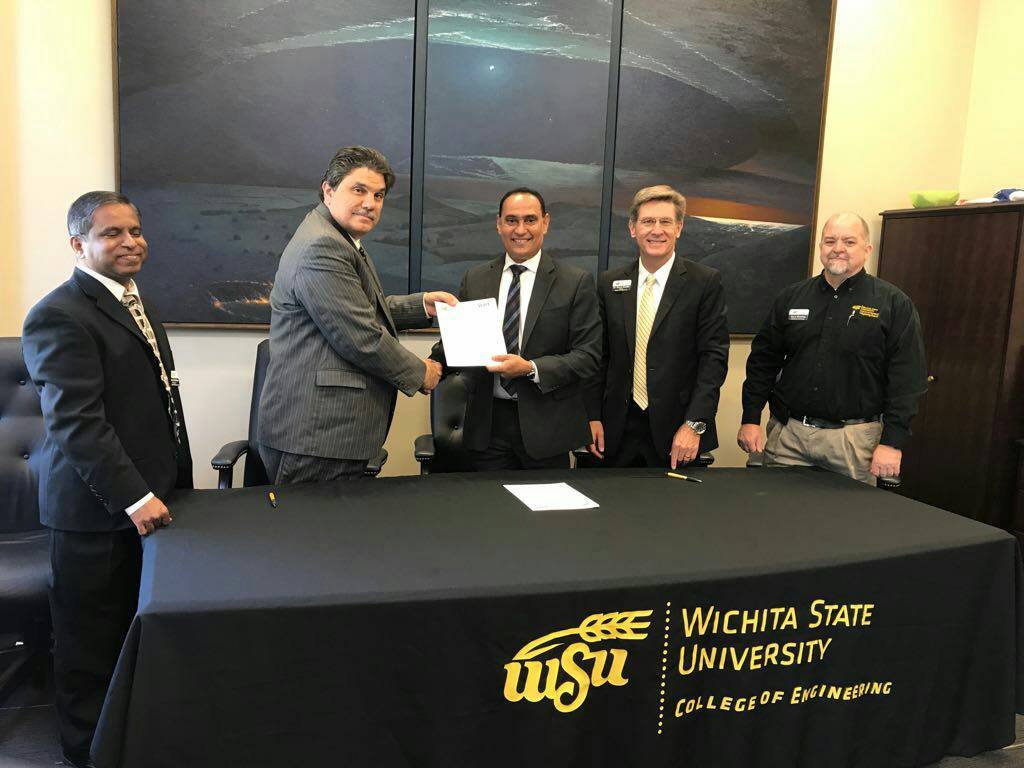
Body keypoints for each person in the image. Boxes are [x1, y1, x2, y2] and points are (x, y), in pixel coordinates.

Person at [21, 191, 193, 768]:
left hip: (149, 501)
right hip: (94, 512)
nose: (130, 242)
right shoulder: (58, 314)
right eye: (112, 233)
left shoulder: (135, 301)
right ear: (79, 244)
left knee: (131, 632)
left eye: (135, 231)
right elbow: (76, 423)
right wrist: (135, 497)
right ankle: (87, 753)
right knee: (89, 645)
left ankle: (130, 740)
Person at [258, 146, 456, 483]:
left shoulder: (336, 237)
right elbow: (360, 335)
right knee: (317, 519)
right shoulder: (323, 246)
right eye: (359, 190)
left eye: (378, 195)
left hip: (324, 434)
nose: (370, 203)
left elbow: (355, 308)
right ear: (329, 190)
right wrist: (421, 371)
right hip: (317, 436)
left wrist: (420, 305)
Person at [737, 211, 928, 484]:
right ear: (821, 247)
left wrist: (892, 442)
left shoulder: (893, 303)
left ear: (867, 249)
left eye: (849, 242)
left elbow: (907, 379)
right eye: (830, 241)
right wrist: (751, 418)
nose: (838, 248)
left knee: (849, 513)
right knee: (777, 508)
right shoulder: (791, 297)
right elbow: (762, 363)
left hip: (854, 442)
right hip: (789, 436)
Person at [431, 187, 601, 470]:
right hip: (488, 427)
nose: (520, 230)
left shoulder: (575, 282)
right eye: (511, 220)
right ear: (499, 224)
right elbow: (459, 340)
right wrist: (431, 367)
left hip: (547, 429)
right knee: (488, 499)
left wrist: (530, 368)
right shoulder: (475, 279)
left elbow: (588, 356)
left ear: (545, 223)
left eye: (530, 220)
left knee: (546, 500)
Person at [585, 185, 729, 469]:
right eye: (648, 221)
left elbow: (713, 360)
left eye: (665, 222)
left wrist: (694, 425)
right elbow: (598, 357)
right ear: (633, 228)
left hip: (679, 432)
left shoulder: (704, 282)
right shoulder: (609, 283)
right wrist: (592, 416)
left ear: (679, 228)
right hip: (616, 430)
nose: (657, 230)